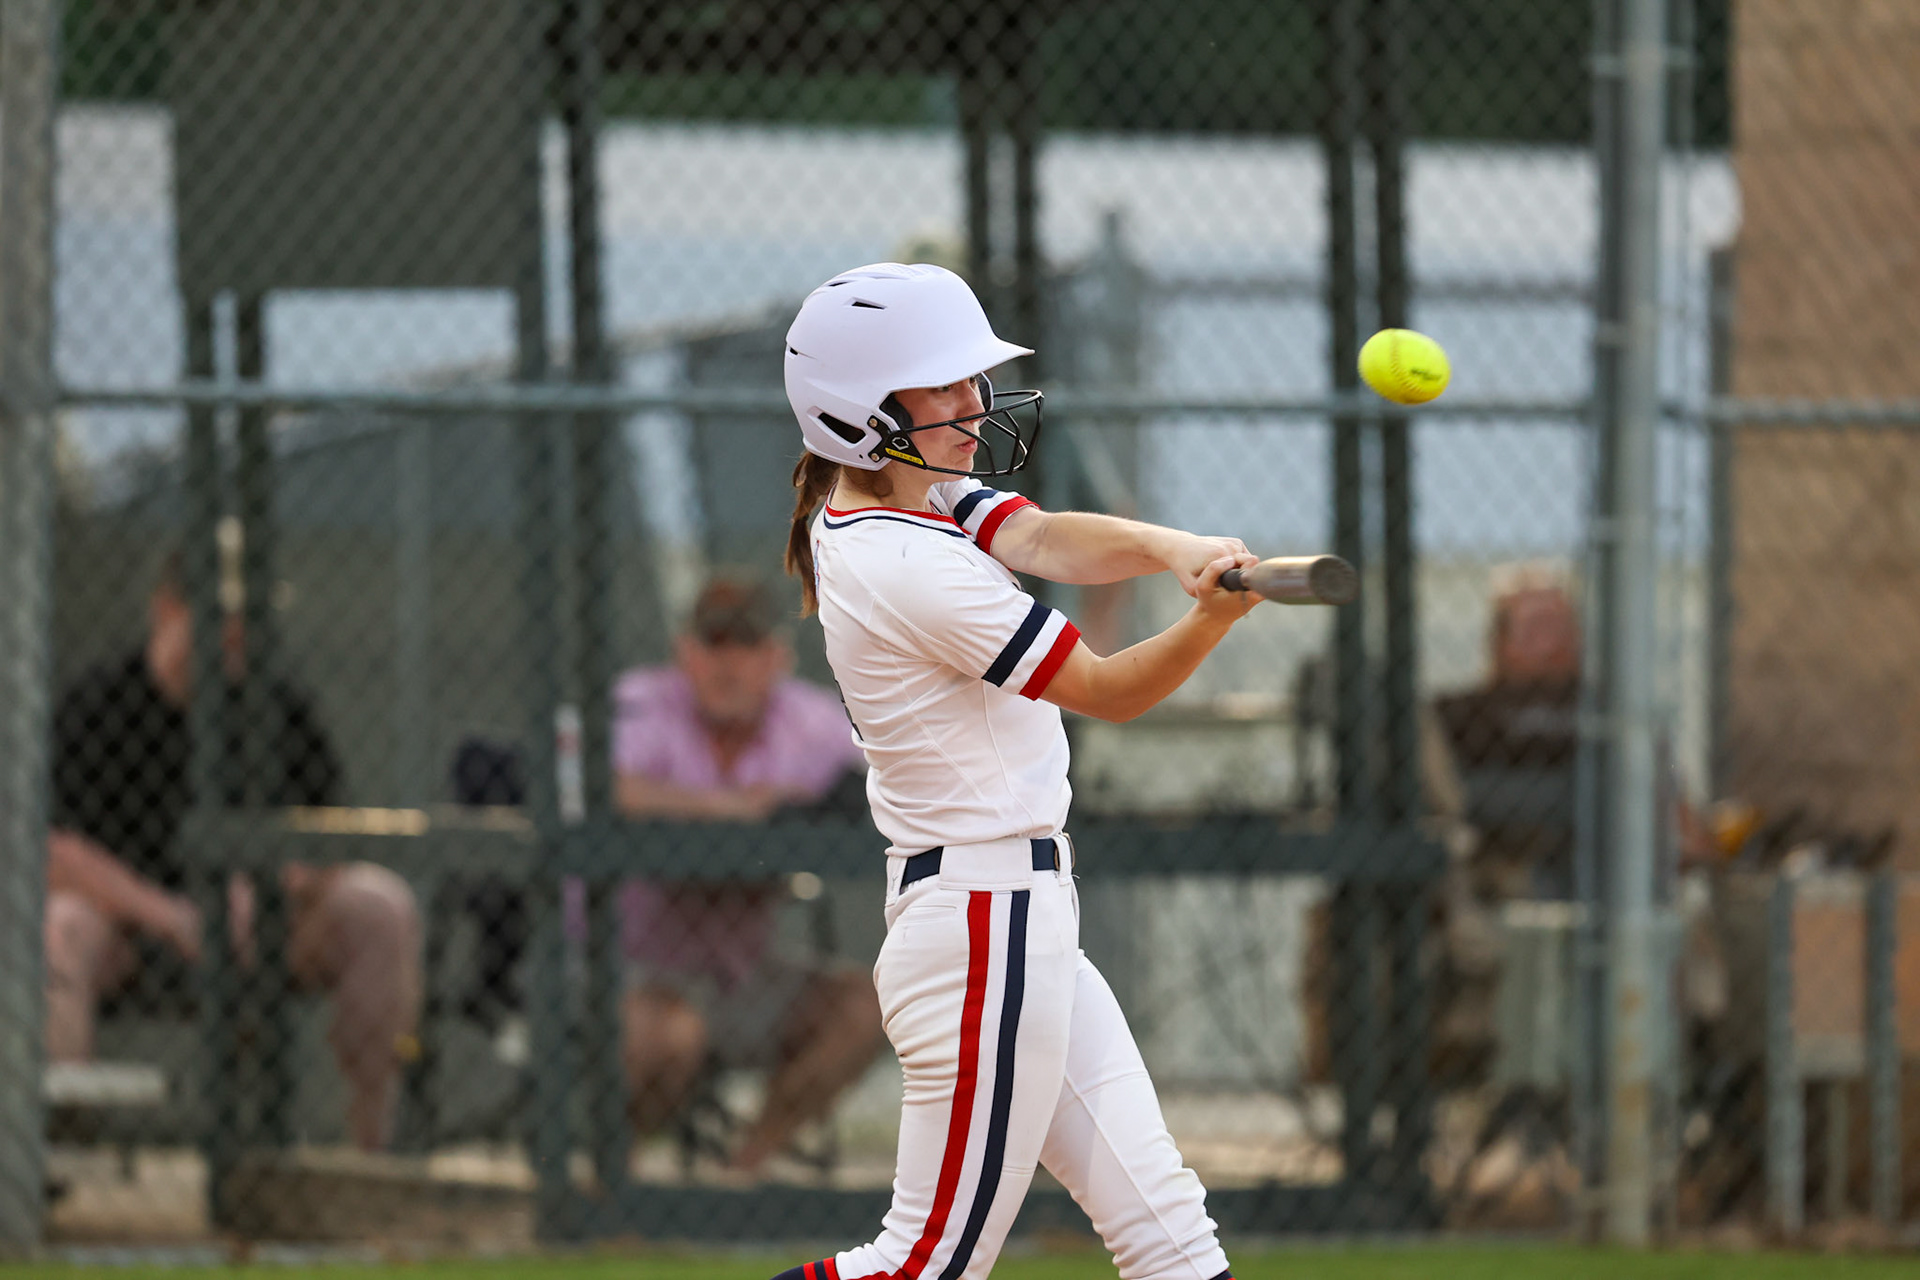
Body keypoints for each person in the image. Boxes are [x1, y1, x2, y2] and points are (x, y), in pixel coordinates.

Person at [769, 262, 1262, 1280]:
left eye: (968, 379)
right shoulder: (910, 564)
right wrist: (1211, 618)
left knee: (1172, 1239)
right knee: (923, 1265)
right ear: (859, 411)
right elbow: (1107, 688)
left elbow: (1038, 534)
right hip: (983, 917)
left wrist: (1177, 551)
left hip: (1011, 912)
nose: (970, 403)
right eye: (938, 385)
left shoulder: (912, 496)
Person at [43, 553, 421, 1150]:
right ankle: (54, 1150)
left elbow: (330, 836)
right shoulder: (100, 702)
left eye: (252, 619)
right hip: (130, 928)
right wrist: (167, 916)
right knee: (58, 925)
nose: (239, 635)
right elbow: (56, 852)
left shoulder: (278, 705)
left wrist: (281, 886)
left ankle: (372, 1158)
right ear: (168, 609)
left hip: (261, 928)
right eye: (223, 617)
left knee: (381, 906)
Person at [611, 574, 880, 1171]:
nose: (727, 664)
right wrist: (730, 808)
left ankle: (744, 1174)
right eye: (713, 645)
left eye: (745, 646)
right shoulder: (645, 701)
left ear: (775, 659)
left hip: (742, 975)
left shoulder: (807, 720)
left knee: (870, 1005)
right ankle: (611, 1182)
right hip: (633, 970)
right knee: (671, 1034)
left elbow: (891, 775)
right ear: (687, 654)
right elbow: (607, 788)